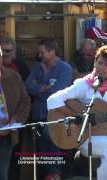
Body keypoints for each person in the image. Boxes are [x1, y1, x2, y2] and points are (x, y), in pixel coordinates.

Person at [47, 45, 107, 180]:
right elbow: (52, 100)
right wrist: (76, 116)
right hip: (87, 138)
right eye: (99, 62)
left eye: (106, 64)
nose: (101, 67)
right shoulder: (83, 84)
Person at [0, 41, 30, 180]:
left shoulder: (13, 76)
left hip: (6, 135)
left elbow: (25, 101)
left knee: (2, 175)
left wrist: (16, 121)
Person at [25, 39, 73, 180]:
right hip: (37, 114)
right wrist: (44, 88)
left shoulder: (65, 69)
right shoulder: (37, 67)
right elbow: (27, 86)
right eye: (39, 52)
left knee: (51, 141)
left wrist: (38, 88)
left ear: (52, 52)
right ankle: (48, 175)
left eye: (42, 52)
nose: (39, 55)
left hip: (55, 115)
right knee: (41, 148)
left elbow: (57, 93)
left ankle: (56, 174)